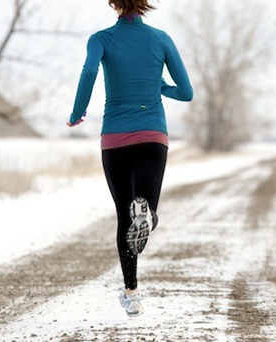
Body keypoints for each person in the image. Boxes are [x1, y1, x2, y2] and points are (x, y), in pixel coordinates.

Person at [66, 0, 193, 317]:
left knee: (125, 215)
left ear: (114, 3)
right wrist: (161, 87)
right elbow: (187, 92)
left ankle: (132, 293)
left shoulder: (101, 39)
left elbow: (89, 73)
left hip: (114, 138)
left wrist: (77, 113)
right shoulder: (161, 39)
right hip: (152, 135)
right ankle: (149, 217)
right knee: (144, 208)